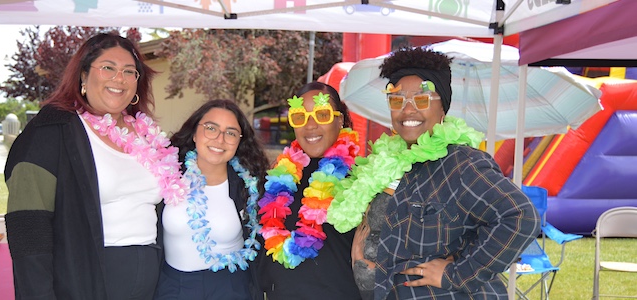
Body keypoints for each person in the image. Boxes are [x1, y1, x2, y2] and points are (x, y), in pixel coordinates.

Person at [327, 46, 541, 299]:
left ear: (442, 108)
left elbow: (520, 216)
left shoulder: (461, 164)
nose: (408, 110)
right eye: (397, 99)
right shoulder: (387, 164)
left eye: (422, 98)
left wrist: (458, 274)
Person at [4, 33, 187, 299]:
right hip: (84, 281)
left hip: (151, 279)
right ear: (83, 76)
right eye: (108, 68)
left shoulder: (146, 135)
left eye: (129, 71)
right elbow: (28, 227)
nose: (119, 78)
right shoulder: (53, 130)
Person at [155, 99, 269, 300]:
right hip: (173, 287)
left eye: (231, 133)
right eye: (211, 128)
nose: (220, 139)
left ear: (239, 141)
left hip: (230, 288)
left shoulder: (249, 186)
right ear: (194, 133)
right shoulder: (166, 174)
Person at [258, 81, 362, 299]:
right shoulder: (278, 178)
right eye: (300, 117)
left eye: (322, 115)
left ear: (339, 120)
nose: (310, 125)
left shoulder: (361, 175)